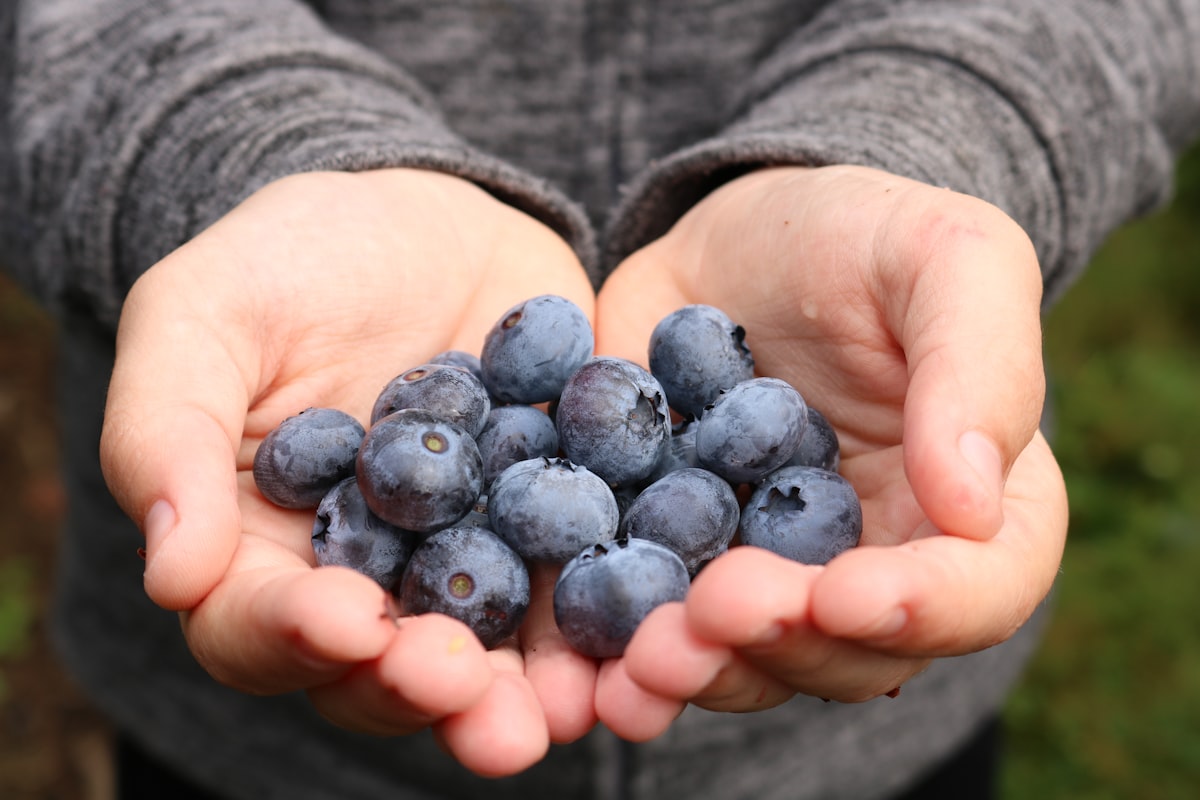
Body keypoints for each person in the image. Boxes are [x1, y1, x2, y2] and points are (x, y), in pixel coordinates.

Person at [2, 1, 1198, 797]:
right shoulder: (463, 459)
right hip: (260, 748)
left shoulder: (676, 446)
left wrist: (925, 140)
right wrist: (227, 152)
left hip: (856, 736)